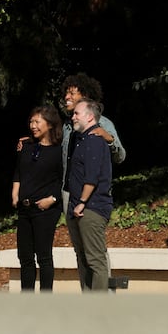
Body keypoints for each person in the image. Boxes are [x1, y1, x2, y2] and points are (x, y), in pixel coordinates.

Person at [11, 105, 64, 292]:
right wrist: (15, 193)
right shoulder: (25, 146)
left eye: (37, 122)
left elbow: (64, 180)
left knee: (44, 256)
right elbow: (19, 172)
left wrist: (53, 199)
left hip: (45, 211)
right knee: (25, 257)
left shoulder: (59, 151)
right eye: (31, 122)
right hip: (24, 209)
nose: (33, 126)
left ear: (50, 124)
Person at [66, 98, 114, 292]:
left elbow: (92, 177)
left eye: (77, 113)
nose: (73, 117)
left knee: (95, 260)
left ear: (90, 117)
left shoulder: (94, 141)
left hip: (91, 207)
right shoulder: (81, 140)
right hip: (77, 207)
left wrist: (82, 202)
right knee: (83, 257)